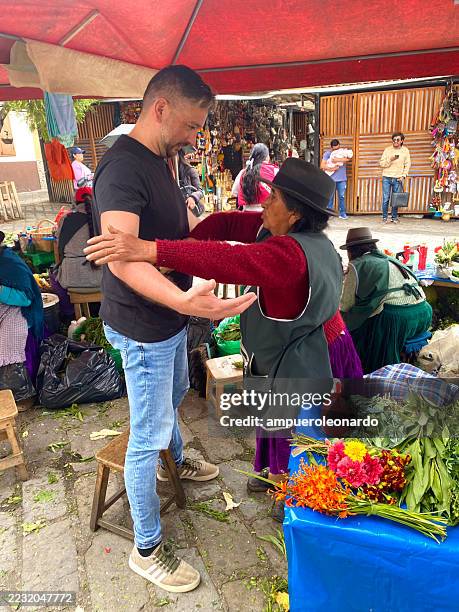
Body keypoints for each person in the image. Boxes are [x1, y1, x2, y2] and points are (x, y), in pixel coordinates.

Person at [85, 159, 362, 522]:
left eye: (273, 196)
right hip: (285, 348)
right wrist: (188, 241)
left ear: (295, 213)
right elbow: (227, 223)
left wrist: (149, 250)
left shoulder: (290, 255)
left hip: (316, 353)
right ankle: (272, 475)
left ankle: (294, 494)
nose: (263, 202)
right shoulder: (277, 231)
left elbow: (231, 259)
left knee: (299, 429)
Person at [88, 65, 256, 594]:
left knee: (178, 392)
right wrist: (186, 300)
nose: (194, 136)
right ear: (160, 108)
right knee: (148, 434)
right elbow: (122, 261)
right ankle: (146, 548)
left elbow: (164, 237)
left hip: (168, 320)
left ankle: (176, 464)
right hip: (143, 326)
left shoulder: (160, 158)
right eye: (189, 125)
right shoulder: (121, 168)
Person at [340, 227, 432, 374]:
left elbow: (345, 305)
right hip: (424, 313)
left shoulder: (357, 265)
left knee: (356, 331)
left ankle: (370, 373)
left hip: (398, 320)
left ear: (351, 251)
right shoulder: (390, 259)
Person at [0, 230, 44, 393]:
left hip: (22, 312)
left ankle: (19, 392)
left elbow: (26, 298)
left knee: (8, 336)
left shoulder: (10, 263)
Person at [55, 187, 102, 290]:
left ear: (75, 202)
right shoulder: (102, 218)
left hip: (71, 279)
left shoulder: (65, 219)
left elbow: (59, 247)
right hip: (101, 278)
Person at [231, 143, 278, 211]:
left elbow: (234, 193)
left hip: (247, 216)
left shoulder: (243, 173)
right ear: (267, 157)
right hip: (268, 215)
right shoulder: (274, 170)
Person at [379, 132, 411, 224]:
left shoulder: (405, 151)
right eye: (394, 140)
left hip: (398, 178)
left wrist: (403, 175)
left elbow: (407, 164)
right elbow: (381, 163)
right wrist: (390, 159)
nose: (395, 141)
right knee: (385, 198)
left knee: (395, 199)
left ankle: (394, 217)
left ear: (402, 141)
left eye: (397, 140)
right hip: (387, 177)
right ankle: (384, 218)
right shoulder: (387, 150)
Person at [321, 139, 352, 219]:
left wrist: (337, 160)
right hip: (330, 179)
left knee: (342, 196)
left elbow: (348, 159)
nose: (337, 150)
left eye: (338, 148)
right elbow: (322, 166)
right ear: (331, 148)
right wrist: (332, 169)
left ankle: (342, 213)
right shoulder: (327, 154)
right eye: (335, 149)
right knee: (330, 197)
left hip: (341, 179)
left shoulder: (342, 152)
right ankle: (329, 214)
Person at [177, 147, 204, 213]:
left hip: (189, 211)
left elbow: (200, 191)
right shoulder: (168, 172)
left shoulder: (190, 170)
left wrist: (192, 198)